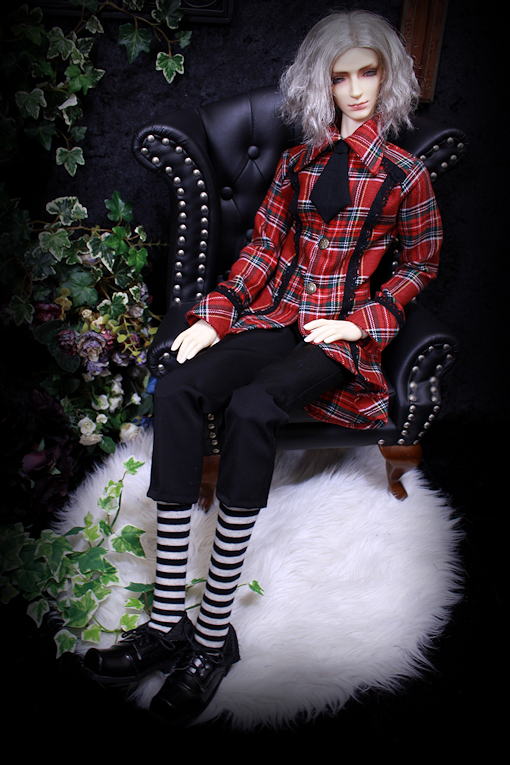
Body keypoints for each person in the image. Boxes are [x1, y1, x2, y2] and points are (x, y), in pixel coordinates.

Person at [83, 9, 443, 726]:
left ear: (389, 76)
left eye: (368, 73)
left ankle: (213, 635)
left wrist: (363, 321)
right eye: (340, 77)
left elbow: (420, 263)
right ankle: (167, 622)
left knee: (251, 407)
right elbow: (263, 252)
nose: (355, 90)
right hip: (275, 316)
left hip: (334, 339)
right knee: (179, 387)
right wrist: (215, 315)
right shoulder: (299, 162)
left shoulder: (404, 173)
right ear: (321, 84)